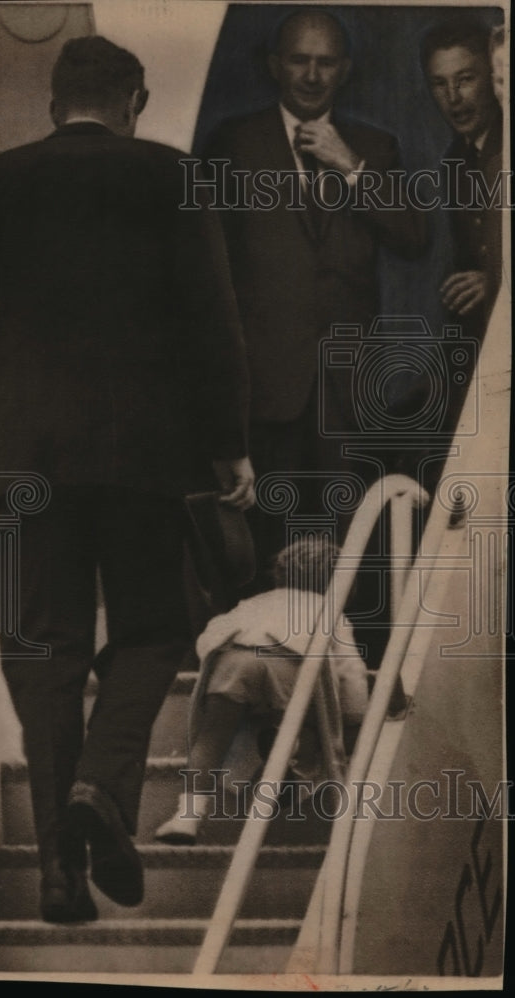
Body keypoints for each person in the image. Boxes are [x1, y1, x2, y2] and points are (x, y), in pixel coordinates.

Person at [0, 36, 255, 922]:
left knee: (46, 649)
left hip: (32, 458)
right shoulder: (172, 178)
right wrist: (229, 447)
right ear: (135, 100)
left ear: (53, 103)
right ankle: (101, 792)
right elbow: (214, 322)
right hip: (151, 457)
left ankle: (57, 871)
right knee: (153, 630)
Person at [201, 8, 428, 581]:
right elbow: (205, 266)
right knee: (258, 557)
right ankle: (259, 667)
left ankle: (336, 670)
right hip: (262, 391)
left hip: (348, 395)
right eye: (299, 60)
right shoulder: (231, 143)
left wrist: (349, 166)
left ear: (345, 70)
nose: (311, 74)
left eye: (326, 62)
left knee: (344, 555)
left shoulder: (374, 147)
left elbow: (414, 238)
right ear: (276, 65)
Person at [154, 535, 369, 845]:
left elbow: (215, 631)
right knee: (311, 725)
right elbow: (350, 671)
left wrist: (215, 662)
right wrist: (354, 716)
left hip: (235, 656)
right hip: (291, 663)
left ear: (280, 576)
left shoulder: (255, 603)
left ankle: (188, 816)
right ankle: (291, 766)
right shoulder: (330, 612)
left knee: (213, 736)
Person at [421, 15, 503, 334]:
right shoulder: (456, 159)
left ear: (495, 77)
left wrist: (494, 279)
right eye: (440, 84)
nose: (453, 98)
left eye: (465, 79)